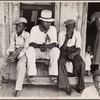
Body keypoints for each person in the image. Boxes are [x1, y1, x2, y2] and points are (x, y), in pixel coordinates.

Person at [26, 10, 60, 83]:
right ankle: (31, 75)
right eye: (46, 22)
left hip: (48, 51)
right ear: (41, 21)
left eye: (49, 22)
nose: (48, 24)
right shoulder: (34, 29)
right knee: (30, 50)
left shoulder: (53, 29)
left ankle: (53, 75)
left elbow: (54, 43)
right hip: (38, 51)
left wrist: (47, 46)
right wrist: (41, 46)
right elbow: (31, 43)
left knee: (56, 50)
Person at [3, 17, 29, 97]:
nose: (18, 28)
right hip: (15, 51)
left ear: (24, 27)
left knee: (21, 65)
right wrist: (11, 52)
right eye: (17, 26)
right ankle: (3, 78)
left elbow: (26, 48)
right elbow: (11, 46)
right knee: (2, 60)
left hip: (23, 53)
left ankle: (18, 89)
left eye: (20, 26)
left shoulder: (27, 34)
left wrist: (18, 55)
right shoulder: (13, 34)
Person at [58, 19, 85, 95]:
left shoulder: (77, 34)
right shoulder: (61, 34)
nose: (71, 29)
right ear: (66, 27)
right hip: (64, 51)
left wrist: (73, 54)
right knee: (60, 62)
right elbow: (61, 49)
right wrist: (67, 38)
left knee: (82, 64)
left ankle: (80, 87)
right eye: (69, 27)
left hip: (74, 51)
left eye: (72, 27)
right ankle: (66, 86)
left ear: (75, 27)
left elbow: (78, 48)